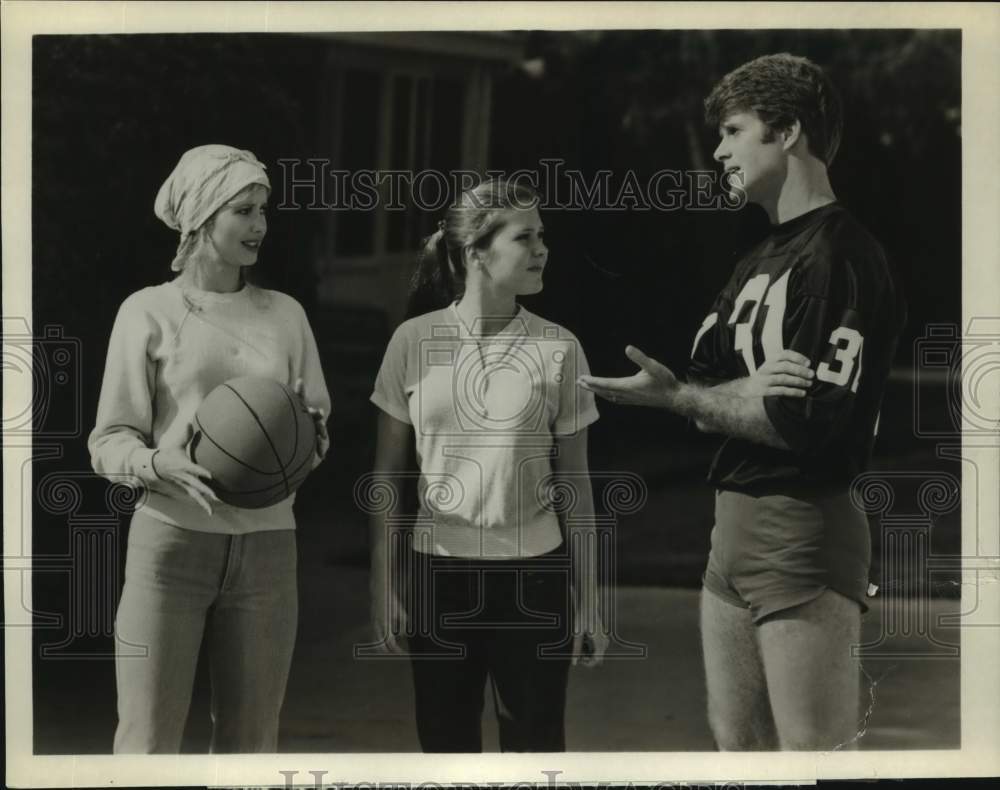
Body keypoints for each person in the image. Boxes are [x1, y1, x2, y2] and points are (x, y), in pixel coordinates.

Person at [579, 54, 907, 750]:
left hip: (802, 527)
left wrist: (687, 399)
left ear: (786, 132)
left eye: (733, 131)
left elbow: (801, 423)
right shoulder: (757, 258)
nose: (721, 151)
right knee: (740, 753)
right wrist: (717, 395)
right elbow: (705, 385)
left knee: (815, 759)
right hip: (728, 533)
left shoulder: (841, 256)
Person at [88, 144, 331, 753]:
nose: (260, 225)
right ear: (201, 219)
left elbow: (312, 429)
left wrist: (311, 440)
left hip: (269, 549)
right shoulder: (147, 311)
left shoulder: (286, 315)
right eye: (243, 211)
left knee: (252, 747)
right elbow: (108, 440)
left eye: (263, 210)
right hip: (170, 545)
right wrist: (154, 463)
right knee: (147, 743)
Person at [367, 177, 608, 752]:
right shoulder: (412, 342)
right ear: (476, 251)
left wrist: (590, 601)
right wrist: (384, 585)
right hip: (437, 577)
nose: (542, 249)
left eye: (542, 235)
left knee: (535, 755)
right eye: (525, 237)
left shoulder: (559, 348)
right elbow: (386, 479)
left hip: (535, 580)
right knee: (445, 754)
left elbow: (576, 485)